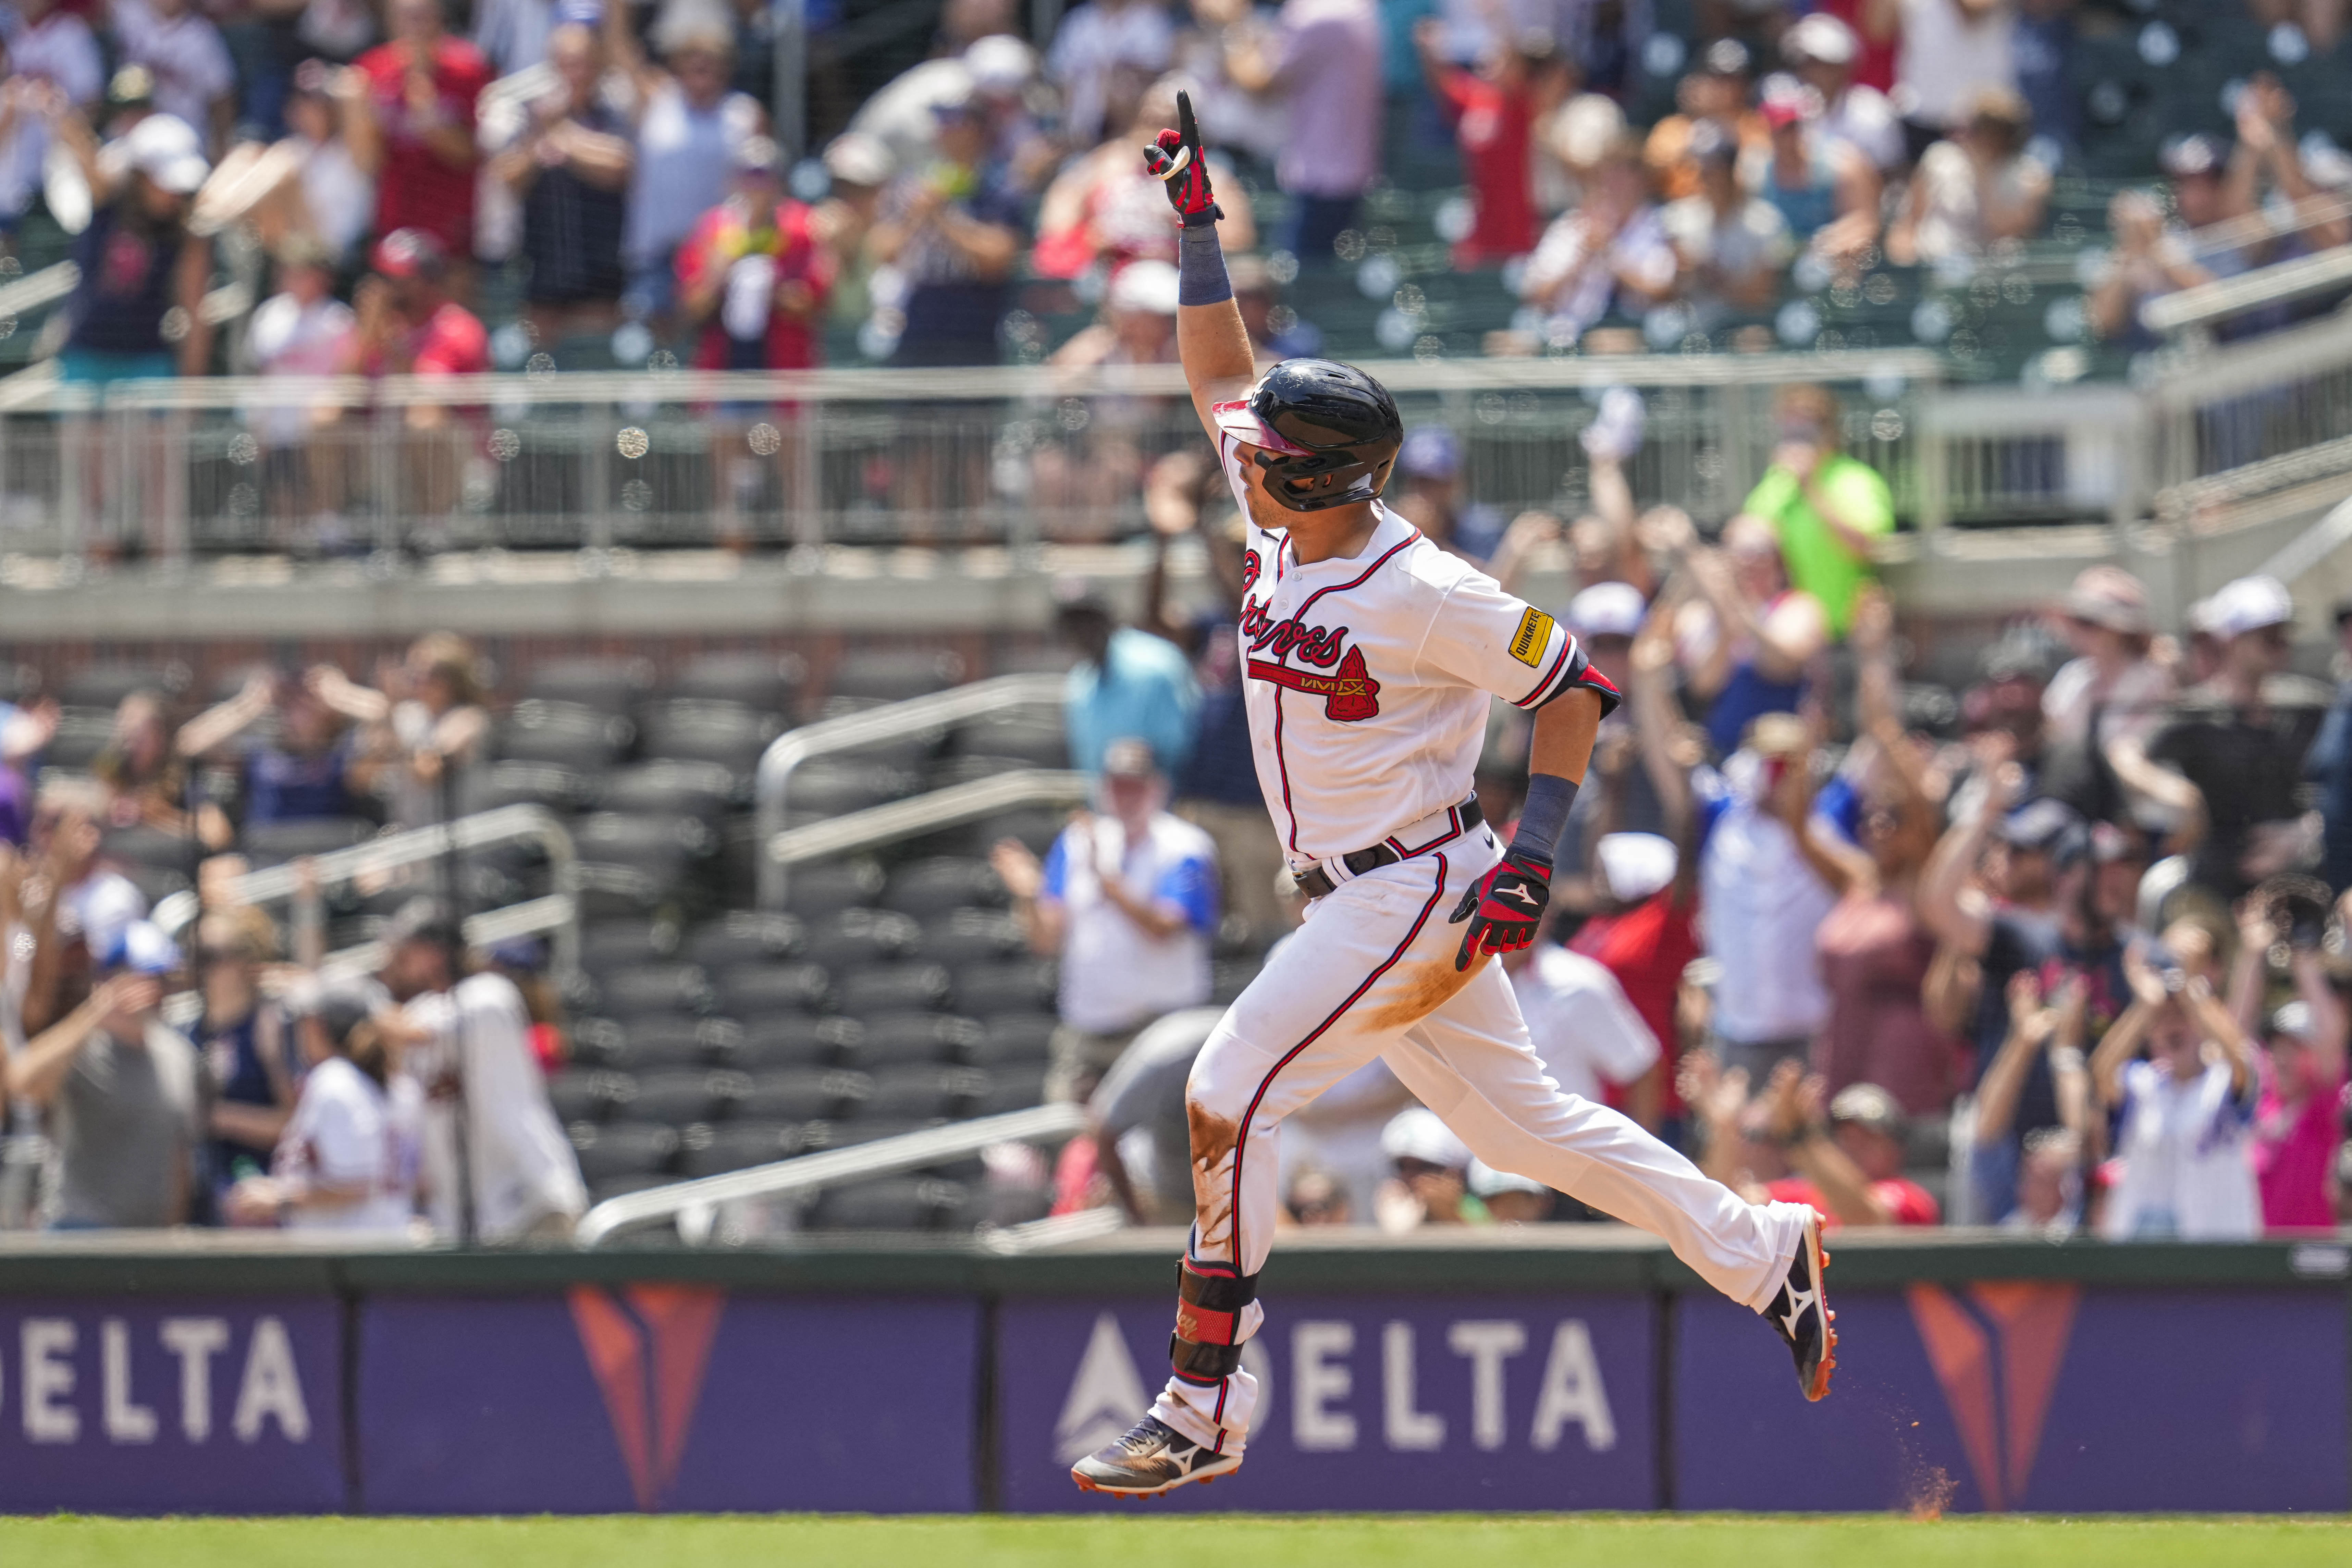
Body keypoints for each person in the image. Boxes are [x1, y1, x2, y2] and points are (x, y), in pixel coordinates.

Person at [1069, 95, 1835, 1501]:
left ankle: (1203, 1397)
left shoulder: (1421, 586)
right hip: (1364, 883)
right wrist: (1197, 228)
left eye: (1268, 451)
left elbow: (1577, 684)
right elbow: (1213, 374)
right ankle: (1761, 1246)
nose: (1241, 451)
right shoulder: (1287, 508)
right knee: (1520, 1127)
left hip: (1413, 879)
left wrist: (1534, 853)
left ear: (1318, 474)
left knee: (1228, 1090)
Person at [992, 737, 1219, 1104]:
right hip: (1088, 1034)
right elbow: (1046, 940)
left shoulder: (1185, 846)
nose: (1126, 795)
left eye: (1136, 785)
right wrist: (1027, 894)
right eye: (1117, 784)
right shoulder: (1076, 842)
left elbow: (1165, 927)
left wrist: (1110, 883)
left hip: (1157, 1030)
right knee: (1072, 1143)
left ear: (1158, 788)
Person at [377, 899, 586, 1243]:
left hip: (533, 1201)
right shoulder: (420, 1009)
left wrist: (344, 1000)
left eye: (404, 953)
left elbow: (416, 1030)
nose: (395, 964)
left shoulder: (489, 997)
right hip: (471, 1218)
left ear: (433, 953)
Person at [2117, 575, 2329, 906]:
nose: (2279, 644)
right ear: (2231, 641)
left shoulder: (2306, 705)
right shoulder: (2197, 713)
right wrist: (2177, 794)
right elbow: (2126, 754)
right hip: (2219, 885)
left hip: (2299, 879)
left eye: (2282, 635)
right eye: (2267, 635)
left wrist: (2307, 829)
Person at [5, 921, 197, 1228]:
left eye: (162, 979)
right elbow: (22, 1085)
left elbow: (178, 1155)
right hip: (82, 1234)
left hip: (150, 1240)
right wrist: (94, 1013)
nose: (154, 992)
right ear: (107, 981)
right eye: (141, 980)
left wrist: (173, 1228)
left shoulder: (178, 1053)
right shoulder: (82, 1045)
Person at [608, 0, 766, 329]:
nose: (701, 71)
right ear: (678, 66)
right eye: (693, 63)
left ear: (726, 67)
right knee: (654, 355)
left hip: (720, 258)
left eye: (710, 64)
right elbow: (619, 54)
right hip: (656, 257)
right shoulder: (655, 101)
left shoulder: (745, 115)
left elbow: (765, 185)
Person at [2091, 943, 2262, 1240]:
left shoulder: (2221, 1082)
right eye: (2163, 1018)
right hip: (2144, 1258)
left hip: (2220, 1258)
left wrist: (2195, 999)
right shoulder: (2141, 1084)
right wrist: (2145, 1005)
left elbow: (2241, 1060)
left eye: (2181, 1016)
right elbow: (2101, 1072)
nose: (2172, 1026)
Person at [225, 992, 421, 1234]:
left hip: (353, 1254)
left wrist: (280, 1198)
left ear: (317, 1026)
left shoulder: (336, 1080)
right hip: (380, 1244)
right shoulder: (395, 1086)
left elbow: (355, 1182)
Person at [491, 18, 635, 344]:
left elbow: (620, 166)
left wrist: (564, 137)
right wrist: (540, 137)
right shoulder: (530, 116)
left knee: (596, 365)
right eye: (568, 64)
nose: (576, 73)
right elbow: (509, 178)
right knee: (543, 373)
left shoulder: (611, 112)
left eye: (584, 63)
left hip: (601, 270)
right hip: (543, 271)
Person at [867, 91, 1025, 367]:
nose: (944, 128)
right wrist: (915, 217)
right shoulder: (915, 183)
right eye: (939, 119)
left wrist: (942, 217)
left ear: (978, 127)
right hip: (920, 315)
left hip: (976, 318)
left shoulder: (999, 184)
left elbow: (997, 260)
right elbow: (883, 251)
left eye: (953, 119)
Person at [1220, 0, 1383, 263]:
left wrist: (1232, 25)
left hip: (1322, 177)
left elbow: (1258, 84)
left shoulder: (1316, 15)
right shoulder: (1355, 8)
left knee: (1302, 282)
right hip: (1345, 169)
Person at [1740, 383, 1894, 639]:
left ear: (1829, 433)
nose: (1795, 441)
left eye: (1804, 432)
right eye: (1788, 433)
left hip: (1850, 629)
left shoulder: (1856, 480)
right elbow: (1746, 542)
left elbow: (1866, 548)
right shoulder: (1776, 483)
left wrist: (1810, 488)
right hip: (1791, 634)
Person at [348, 0, 493, 265]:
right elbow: (368, 162)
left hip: (453, 214)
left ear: (440, 20)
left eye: (422, 17)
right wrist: (358, 117)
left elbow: (474, 154)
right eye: (406, 18)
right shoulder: (371, 70)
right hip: (397, 212)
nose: (414, 28)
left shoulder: (469, 67)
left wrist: (429, 115)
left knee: (453, 300)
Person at [2037, 566, 2172, 827]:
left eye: (2090, 622)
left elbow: (2132, 756)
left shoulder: (2152, 679)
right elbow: (2050, 738)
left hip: (2136, 814)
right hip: (2078, 805)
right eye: (2077, 620)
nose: (2078, 631)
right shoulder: (2074, 677)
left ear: (2121, 632)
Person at [1518, 133, 1676, 348]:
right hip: (1569, 332)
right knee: (1518, 337)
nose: (1615, 185)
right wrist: (1584, 255)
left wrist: (1609, 252)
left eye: (1624, 176)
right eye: (1608, 176)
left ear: (1642, 182)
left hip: (1639, 332)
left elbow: (1661, 293)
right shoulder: (1570, 227)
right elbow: (1538, 295)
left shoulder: (1660, 225)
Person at [1414, 16, 1542, 266]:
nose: (1488, 63)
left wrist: (1495, 16)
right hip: (1480, 216)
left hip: (1515, 219)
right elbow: (1441, 79)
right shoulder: (1475, 98)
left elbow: (1515, 58)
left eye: (1497, 58)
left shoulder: (1519, 104)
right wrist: (1429, 48)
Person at [193, 904, 302, 1198]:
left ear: (245, 962)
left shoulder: (273, 1029)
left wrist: (219, 1118)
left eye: (212, 957)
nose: (201, 968)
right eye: (196, 956)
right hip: (203, 1202)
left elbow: (298, 1127)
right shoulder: (189, 1034)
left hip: (261, 1198)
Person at [1084, 1004, 1224, 1223]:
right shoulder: (1173, 1059)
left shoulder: (1270, 1047)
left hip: (1232, 1192)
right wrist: (1134, 1213)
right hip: (1165, 1190)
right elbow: (1103, 1127)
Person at [1055, 579, 1201, 781]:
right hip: (1106, 807)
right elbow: (1087, 761)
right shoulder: (1080, 682)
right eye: (1072, 623)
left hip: (1164, 802)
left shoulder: (1156, 663)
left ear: (1107, 617)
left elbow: (1183, 743)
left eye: (1088, 619)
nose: (1081, 630)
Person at [1883, 87, 2048, 266]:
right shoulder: (1940, 159)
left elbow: (2006, 231)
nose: (1965, 135)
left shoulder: (2030, 175)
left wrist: (1982, 175)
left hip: (1989, 274)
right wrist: (1905, 260)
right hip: (1930, 265)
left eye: (1978, 129)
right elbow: (1909, 224)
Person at [1662, 120, 1794, 329]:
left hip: (1747, 324)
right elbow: (1668, 292)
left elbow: (1759, 297)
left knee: (1753, 340)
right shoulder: (1678, 217)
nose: (1706, 176)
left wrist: (1710, 275)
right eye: (1701, 167)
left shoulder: (1765, 222)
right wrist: (1682, 272)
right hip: (1693, 324)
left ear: (1730, 169)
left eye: (1714, 167)